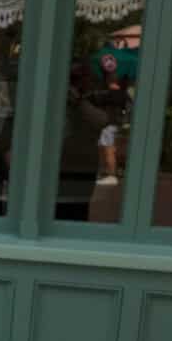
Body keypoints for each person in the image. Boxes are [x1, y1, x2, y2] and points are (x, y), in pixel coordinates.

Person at [57, 61, 109, 221]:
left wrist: (79, 102)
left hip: (83, 163)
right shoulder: (60, 99)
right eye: (75, 78)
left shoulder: (91, 99)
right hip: (63, 162)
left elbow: (102, 121)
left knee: (78, 208)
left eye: (82, 78)